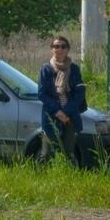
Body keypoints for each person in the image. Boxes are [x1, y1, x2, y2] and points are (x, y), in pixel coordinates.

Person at [38, 35, 89, 166]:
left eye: (63, 46)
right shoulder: (46, 69)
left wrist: (65, 112)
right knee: (47, 153)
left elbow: (79, 93)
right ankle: (42, 180)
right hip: (51, 114)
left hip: (70, 115)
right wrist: (57, 112)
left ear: (67, 50)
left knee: (68, 152)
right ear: (52, 49)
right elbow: (42, 94)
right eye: (56, 46)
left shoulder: (74, 69)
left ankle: (68, 177)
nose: (59, 49)